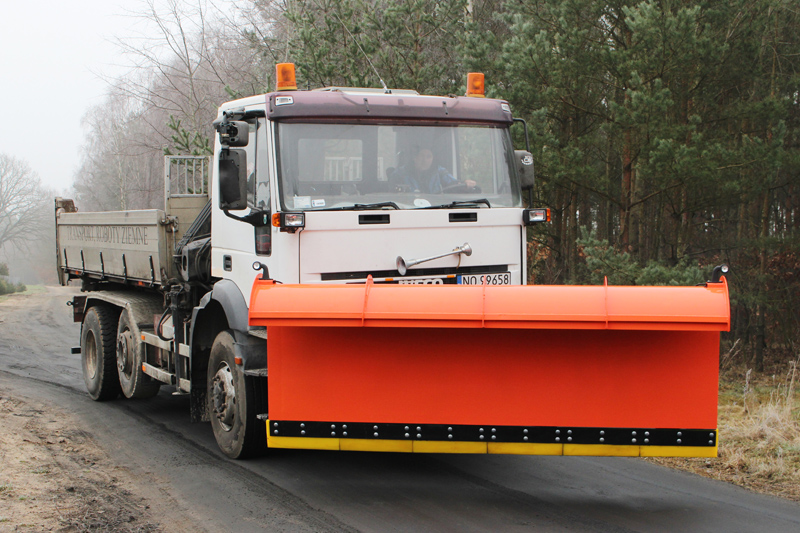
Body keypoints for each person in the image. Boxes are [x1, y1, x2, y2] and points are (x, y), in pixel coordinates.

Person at [396, 147, 477, 193]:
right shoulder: (401, 173)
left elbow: (454, 184)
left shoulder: (440, 172)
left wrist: (464, 184)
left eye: (429, 156)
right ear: (415, 158)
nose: (425, 160)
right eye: (422, 156)